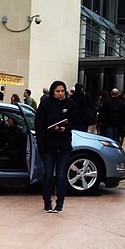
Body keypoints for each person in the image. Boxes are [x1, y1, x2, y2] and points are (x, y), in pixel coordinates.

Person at [35, 80, 77, 213]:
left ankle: (60, 203)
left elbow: (76, 121)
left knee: (61, 175)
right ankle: (47, 202)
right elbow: (39, 124)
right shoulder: (45, 104)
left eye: (62, 91)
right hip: (48, 146)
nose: (60, 94)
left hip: (64, 145)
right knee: (48, 174)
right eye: (57, 91)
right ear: (53, 91)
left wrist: (66, 127)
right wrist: (44, 140)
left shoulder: (70, 104)